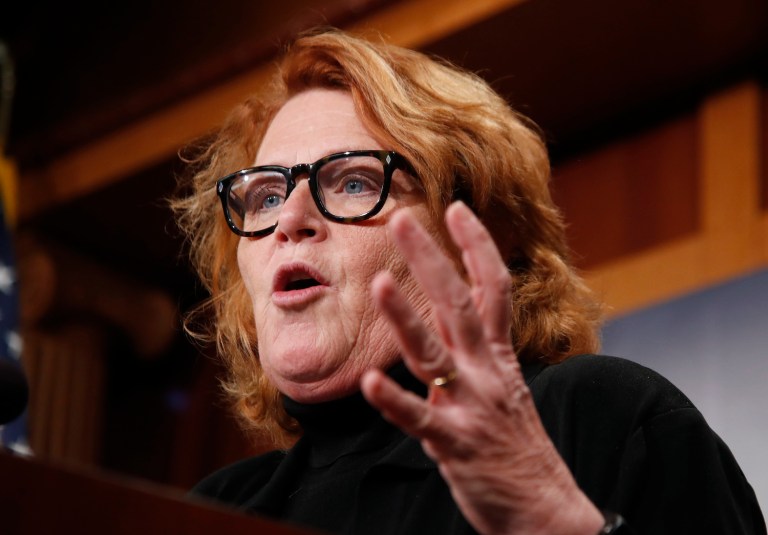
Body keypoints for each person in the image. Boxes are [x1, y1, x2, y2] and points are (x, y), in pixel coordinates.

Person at [173, 27, 766, 535]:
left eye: (352, 182)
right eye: (266, 195)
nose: (289, 221)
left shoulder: (597, 419)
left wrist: (555, 524)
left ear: (477, 232)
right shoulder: (209, 513)